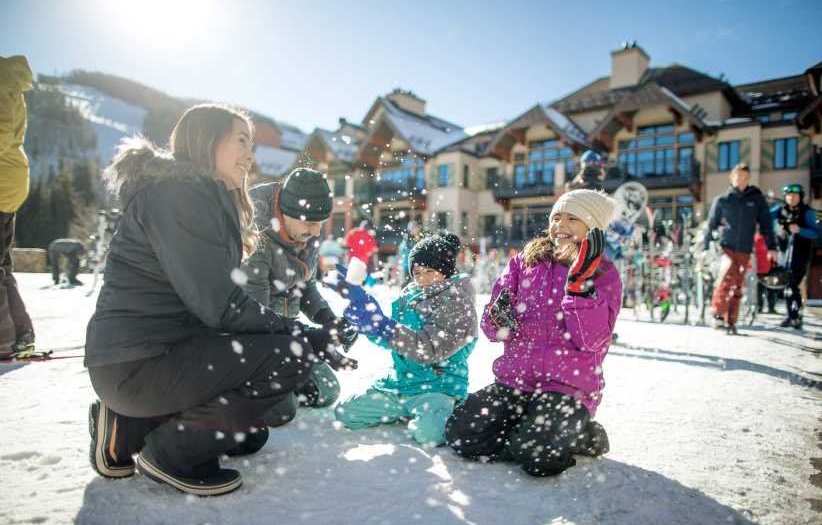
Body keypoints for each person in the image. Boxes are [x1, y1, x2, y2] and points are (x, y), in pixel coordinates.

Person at [85, 105, 349, 496]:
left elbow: (215, 305)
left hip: (156, 356)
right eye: (241, 140)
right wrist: (300, 334)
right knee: (290, 355)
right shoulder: (179, 197)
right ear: (207, 140)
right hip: (139, 362)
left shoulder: (202, 196)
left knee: (250, 437)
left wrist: (311, 326)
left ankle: (127, 429)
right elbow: (222, 306)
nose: (249, 154)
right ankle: (170, 454)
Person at [445, 189, 622, 477]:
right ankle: (530, 432)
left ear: (593, 228)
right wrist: (499, 317)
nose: (560, 225)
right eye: (556, 218)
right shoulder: (525, 262)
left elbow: (593, 340)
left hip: (567, 387)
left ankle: (579, 433)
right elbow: (493, 330)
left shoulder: (603, 273)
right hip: (516, 381)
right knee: (462, 432)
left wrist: (578, 289)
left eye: (572, 218)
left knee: (538, 456)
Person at [333, 233, 477, 447]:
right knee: (346, 412)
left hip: (437, 385)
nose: (423, 278)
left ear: (446, 272)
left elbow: (428, 348)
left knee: (430, 436)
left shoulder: (457, 303)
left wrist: (385, 328)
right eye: (417, 272)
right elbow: (391, 339)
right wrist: (370, 323)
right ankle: (408, 409)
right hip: (402, 383)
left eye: (430, 271)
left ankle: (449, 408)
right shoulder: (408, 297)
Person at [242, 168, 358, 426]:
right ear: (286, 214)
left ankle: (279, 385)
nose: (317, 232)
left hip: (289, 332)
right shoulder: (254, 237)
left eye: (320, 223)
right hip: (253, 340)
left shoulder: (307, 233)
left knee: (327, 389)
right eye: (309, 223)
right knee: (281, 411)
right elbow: (257, 318)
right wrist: (310, 340)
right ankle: (250, 389)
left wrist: (329, 321)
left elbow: (306, 288)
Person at [703, 163, 777, 335]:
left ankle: (731, 320)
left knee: (738, 284)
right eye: (738, 177)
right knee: (725, 280)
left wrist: (772, 247)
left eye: (744, 177)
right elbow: (710, 225)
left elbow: (766, 225)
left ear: (748, 178)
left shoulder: (756, 200)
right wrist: (706, 247)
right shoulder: (722, 200)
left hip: (744, 248)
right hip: (725, 248)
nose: (741, 180)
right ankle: (718, 314)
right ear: (732, 178)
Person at [0, 55, 35, 354]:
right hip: (7, 178)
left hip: (2, 178)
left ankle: (6, 338)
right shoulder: (5, 81)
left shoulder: (0, 82)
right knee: (1, 264)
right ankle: (19, 334)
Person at [771, 184, 819, 329]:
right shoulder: (780, 210)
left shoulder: (807, 212)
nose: (792, 198)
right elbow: (764, 215)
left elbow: (815, 232)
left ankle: (795, 316)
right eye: (789, 195)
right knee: (787, 284)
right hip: (785, 253)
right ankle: (792, 315)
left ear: (800, 196)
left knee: (792, 283)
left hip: (801, 253)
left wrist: (800, 230)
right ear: (785, 197)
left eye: (795, 195)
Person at [753, 233, 777, 315]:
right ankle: (770, 307)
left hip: (762, 267)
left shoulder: (756, 237)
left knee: (761, 289)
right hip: (765, 267)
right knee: (769, 289)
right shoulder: (768, 237)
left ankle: (761, 307)